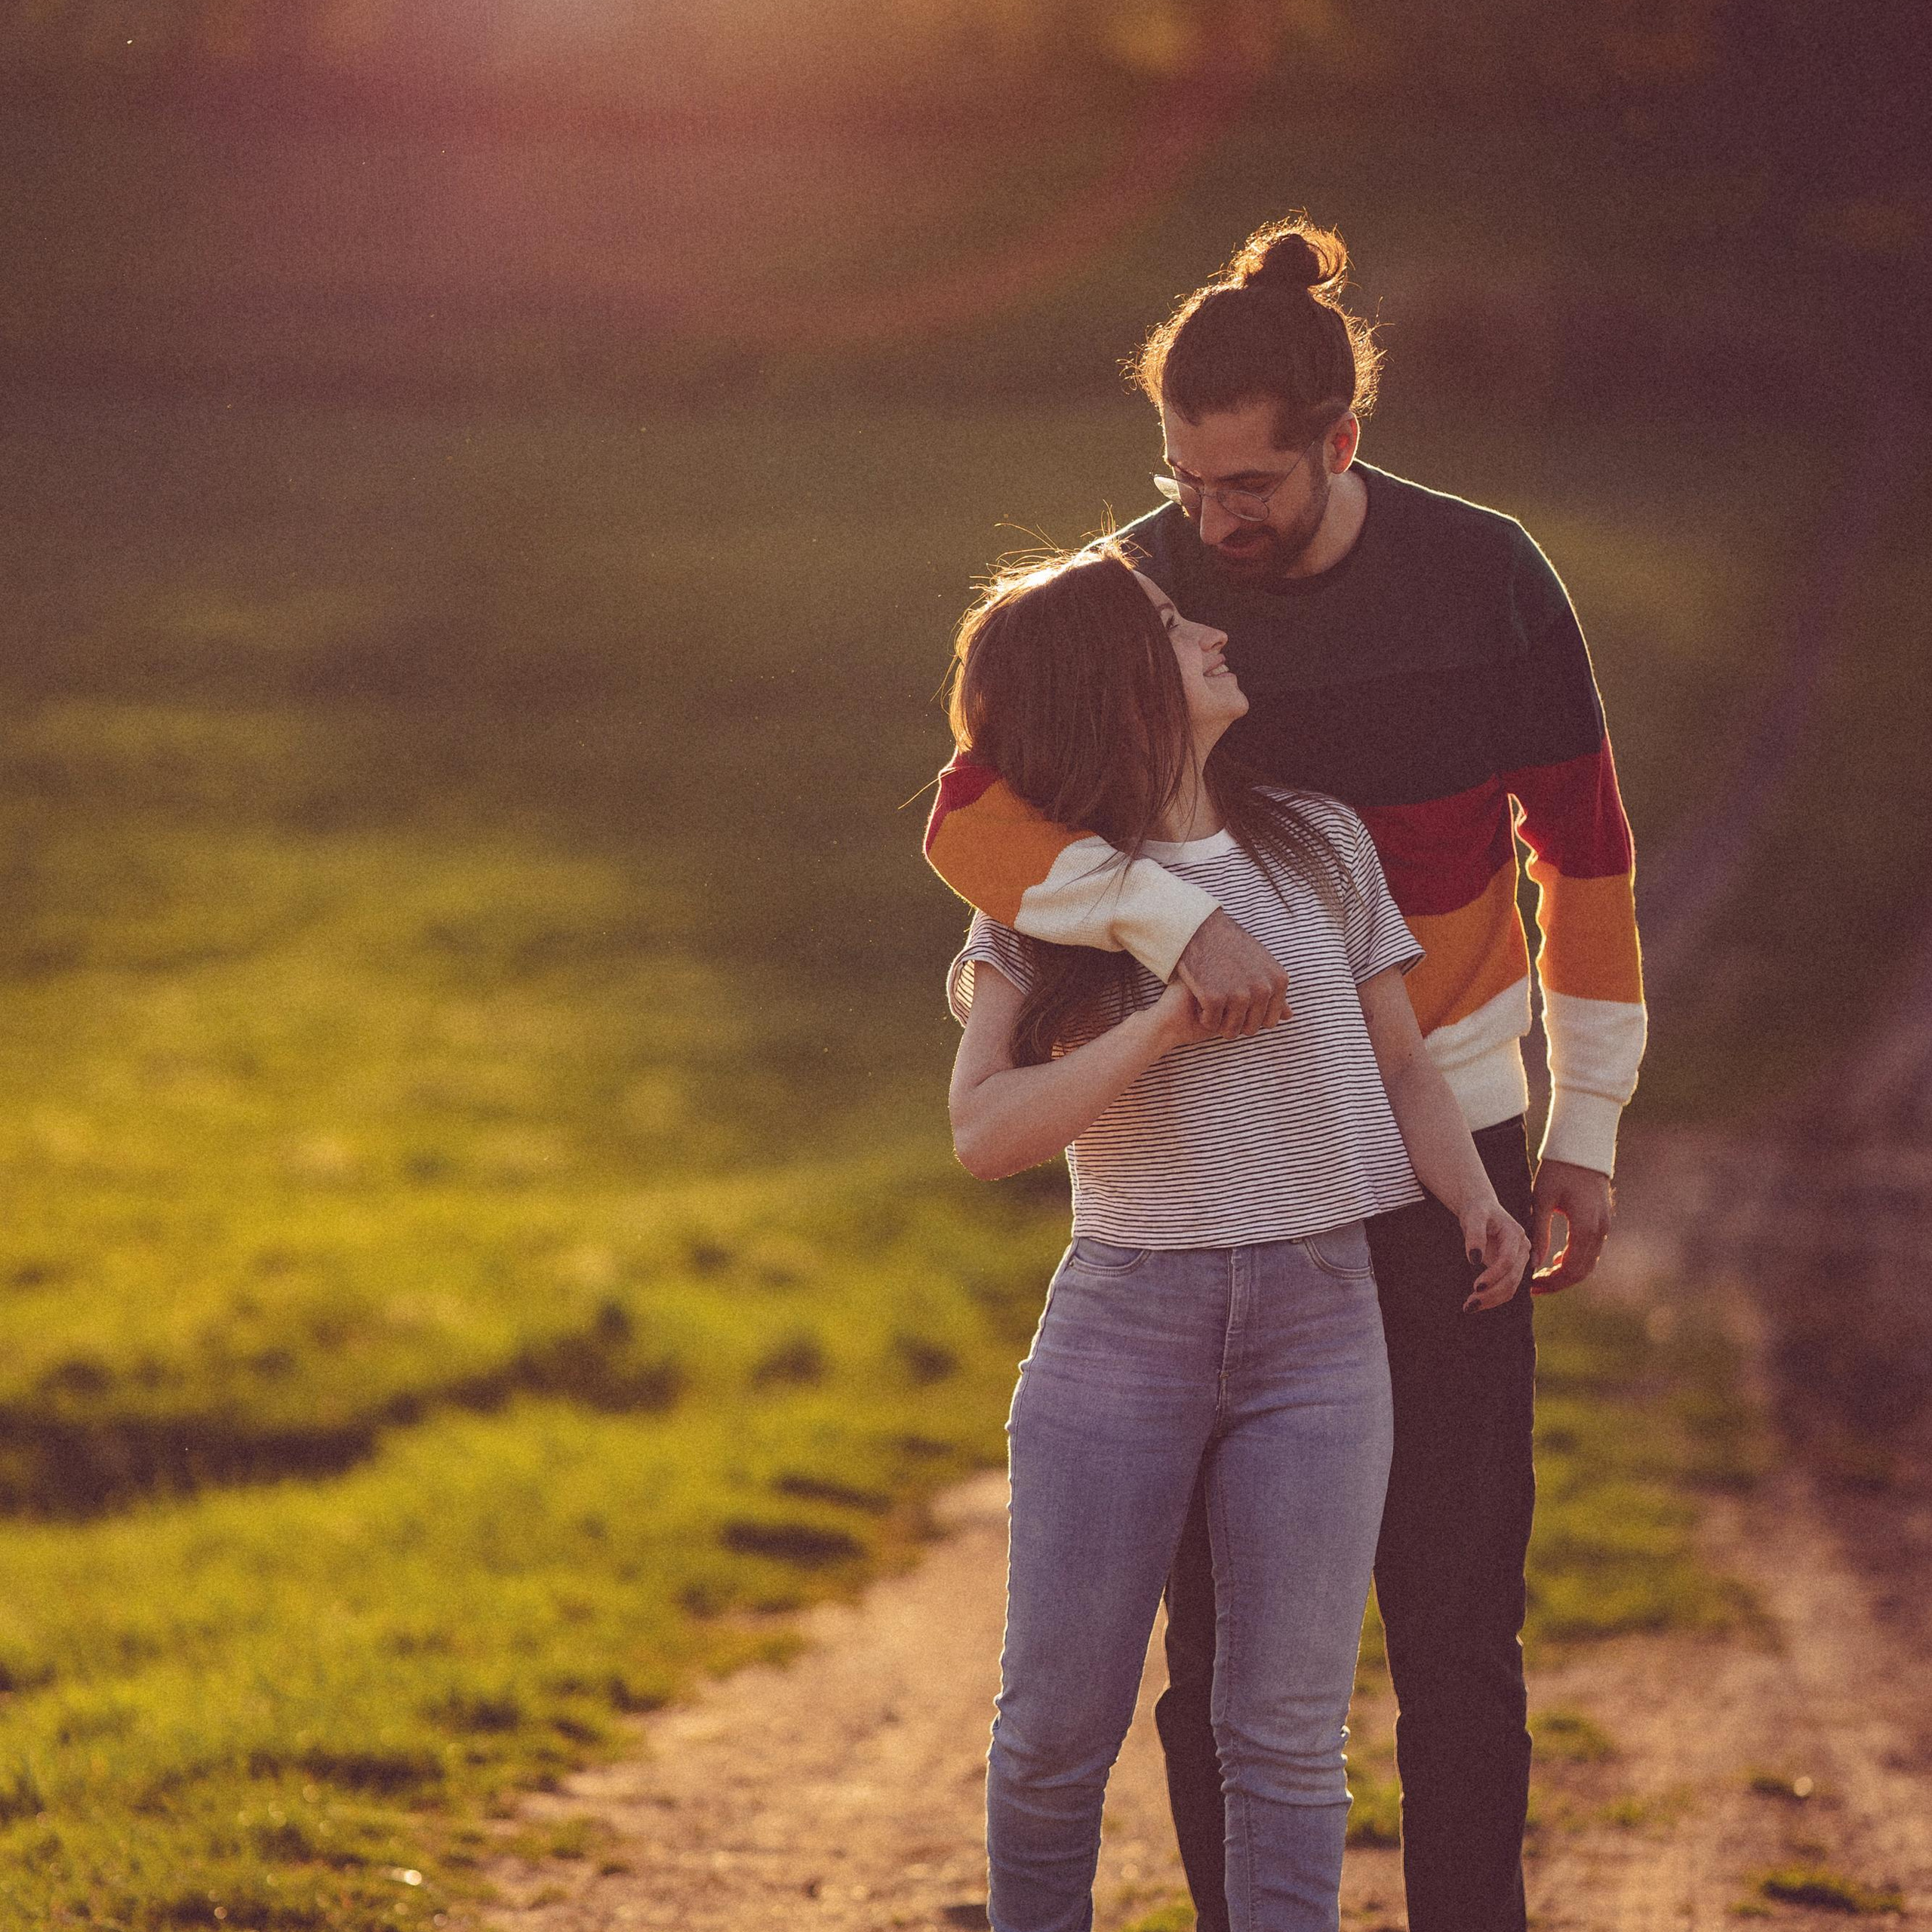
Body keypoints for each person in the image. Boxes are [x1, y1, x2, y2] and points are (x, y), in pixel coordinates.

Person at [925, 217, 1645, 1932]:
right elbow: (972, 814)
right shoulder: (1141, 588)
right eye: (1181, 476)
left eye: (1244, 482)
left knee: (1457, 1612)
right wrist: (1170, 925)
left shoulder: (1490, 577)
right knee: (1223, 1646)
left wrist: (1580, 1128)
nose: (1208, 520)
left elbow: (1589, 856)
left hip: (1444, 1110)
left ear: (1339, 441)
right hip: (1229, 1151)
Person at [944, 540, 1532, 1932]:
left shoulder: (1318, 839)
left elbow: (1400, 1067)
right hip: (1125, 1329)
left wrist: (1471, 1196)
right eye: (1167, 625)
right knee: (1051, 1735)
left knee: (1284, 1744)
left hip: (1326, 1331)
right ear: (1109, 682)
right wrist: (1158, 1021)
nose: (1209, 628)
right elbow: (985, 1133)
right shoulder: (1050, 897)